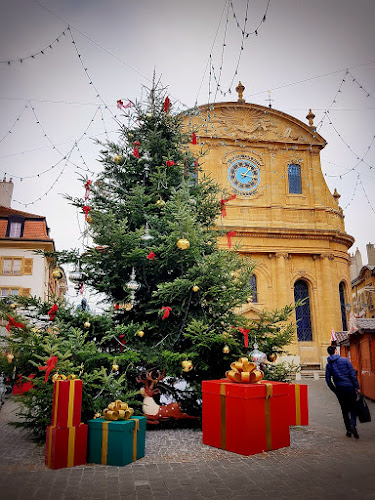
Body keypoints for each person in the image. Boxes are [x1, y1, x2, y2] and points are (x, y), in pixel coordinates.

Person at [325, 345, 360, 438]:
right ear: (336, 351)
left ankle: (348, 430)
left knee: (344, 409)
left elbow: (328, 379)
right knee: (353, 408)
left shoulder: (329, 365)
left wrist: (334, 390)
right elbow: (352, 374)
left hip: (340, 389)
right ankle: (353, 425)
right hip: (350, 387)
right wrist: (357, 386)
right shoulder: (345, 360)